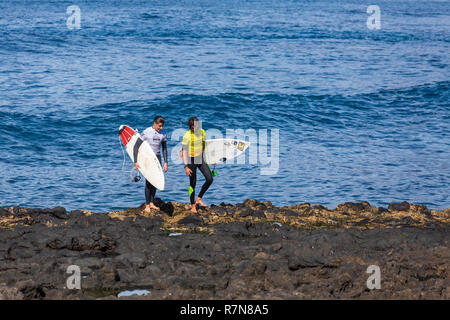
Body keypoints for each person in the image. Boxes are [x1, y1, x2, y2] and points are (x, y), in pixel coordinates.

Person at [134, 116, 168, 213]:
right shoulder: (146, 132)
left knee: (155, 181)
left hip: (157, 159)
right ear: (155, 123)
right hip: (148, 159)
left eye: (162, 126)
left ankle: (152, 203)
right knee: (149, 182)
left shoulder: (163, 133)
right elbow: (136, 146)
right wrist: (136, 161)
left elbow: (164, 148)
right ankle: (147, 204)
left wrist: (166, 162)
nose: (161, 128)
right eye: (159, 126)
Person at [181, 117, 214, 213]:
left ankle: (199, 198)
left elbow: (205, 146)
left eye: (196, 127)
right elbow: (184, 151)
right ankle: (192, 206)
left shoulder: (202, 132)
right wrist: (186, 166)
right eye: (193, 127)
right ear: (190, 127)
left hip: (200, 158)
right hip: (191, 160)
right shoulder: (187, 136)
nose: (195, 129)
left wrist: (211, 159)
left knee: (210, 179)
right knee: (192, 184)